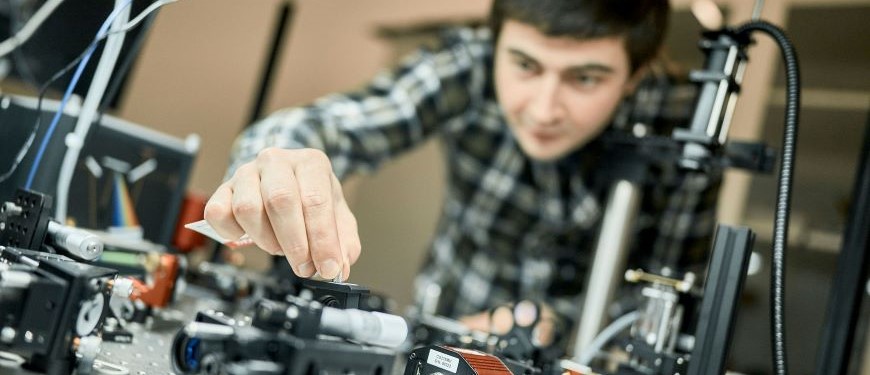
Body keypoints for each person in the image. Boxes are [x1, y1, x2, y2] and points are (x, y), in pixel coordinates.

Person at [204, 0, 717, 337]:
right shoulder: (467, 63)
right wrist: (279, 161)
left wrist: (553, 324)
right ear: (496, 43)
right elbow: (328, 125)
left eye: (585, 78)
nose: (544, 109)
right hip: (446, 326)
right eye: (525, 65)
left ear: (634, 76)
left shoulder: (683, 121)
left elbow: (672, 291)